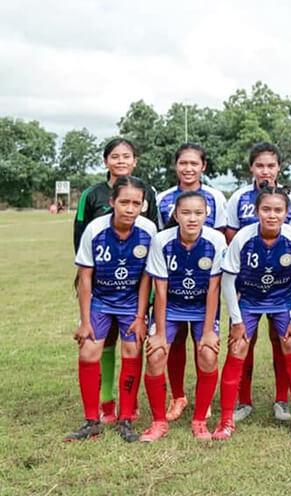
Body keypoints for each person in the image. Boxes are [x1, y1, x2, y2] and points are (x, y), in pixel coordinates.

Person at [213, 183, 291, 439]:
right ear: (257, 211)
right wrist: (236, 320)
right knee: (237, 347)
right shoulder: (243, 237)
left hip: (283, 300)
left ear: (287, 213)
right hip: (249, 299)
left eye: (278, 210)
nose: (272, 215)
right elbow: (227, 280)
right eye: (266, 209)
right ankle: (226, 420)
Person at [72, 138, 158, 425]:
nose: (130, 208)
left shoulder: (148, 230)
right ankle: (91, 418)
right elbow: (85, 275)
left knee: (132, 348)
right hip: (101, 298)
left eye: (136, 203)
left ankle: (126, 415)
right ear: (112, 203)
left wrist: (140, 315)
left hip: (132, 301)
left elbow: (148, 274)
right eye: (124, 202)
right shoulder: (95, 228)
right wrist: (84, 321)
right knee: (90, 349)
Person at [225, 142, 291, 423]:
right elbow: (231, 236)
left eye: (271, 165)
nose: (265, 171)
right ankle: (242, 401)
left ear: (279, 168)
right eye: (260, 165)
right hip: (247, 284)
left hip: (283, 285)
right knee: (245, 338)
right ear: (252, 168)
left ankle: (282, 400)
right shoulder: (238, 198)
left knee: (283, 340)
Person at [140, 192, 226, 441]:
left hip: (202, 307)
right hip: (172, 306)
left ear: (206, 215)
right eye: (186, 213)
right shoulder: (162, 240)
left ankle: (199, 420)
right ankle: (158, 423)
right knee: (156, 355)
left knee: (208, 354)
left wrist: (209, 331)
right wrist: (158, 333)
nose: (192, 218)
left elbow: (213, 289)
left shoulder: (216, 240)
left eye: (198, 213)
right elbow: (161, 289)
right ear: (176, 215)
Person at [154, 143, 227, 423]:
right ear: (176, 166)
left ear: (203, 166)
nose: (188, 168)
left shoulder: (216, 198)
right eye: (183, 163)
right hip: (172, 278)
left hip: (204, 276)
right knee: (173, 341)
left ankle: (203, 401)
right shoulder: (163, 199)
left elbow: (218, 237)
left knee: (204, 343)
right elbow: (162, 239)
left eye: (194, 163)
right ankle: (178, 396)